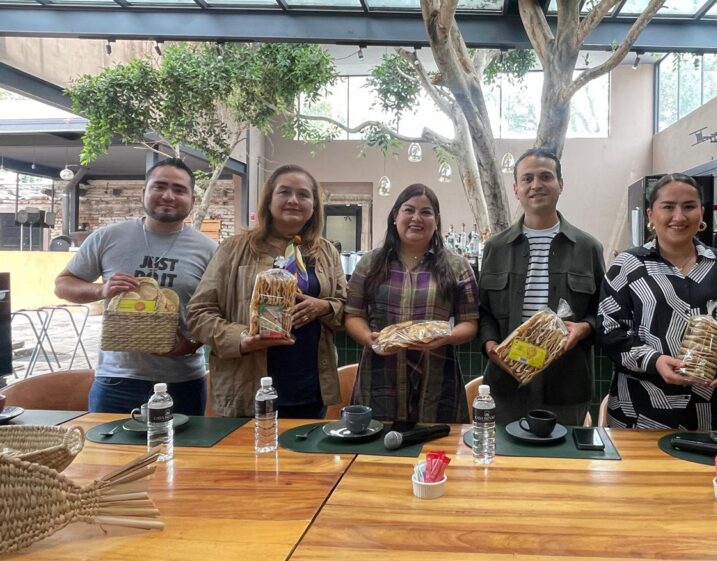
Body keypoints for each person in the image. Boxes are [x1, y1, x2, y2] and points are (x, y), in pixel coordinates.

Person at [598, 173, 717, 431]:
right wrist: (655, 360)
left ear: (701, 213)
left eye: (689, 206)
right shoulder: (628, 266)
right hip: (639, 414)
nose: (679, 216)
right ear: (651, 214)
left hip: (712, 415)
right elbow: (610, 331)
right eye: (668, 207)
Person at [55, 158, 216, 415]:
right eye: (159, 186)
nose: (168, 195)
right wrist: (100, 290)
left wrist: (193, 343)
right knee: (107, 443)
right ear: (144, 193)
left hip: (182, 382)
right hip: (116, 381)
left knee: (184, 443)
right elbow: (63, 285)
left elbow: (217, 310)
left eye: (179, 189)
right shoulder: (107, 237)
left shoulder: (209, 250)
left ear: (192, 200)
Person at [186, 165, 347, 418]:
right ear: (269, 200)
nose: (293, 200)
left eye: (303, 195)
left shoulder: (326, 252)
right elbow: (198, 313)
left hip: (309, 390)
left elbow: (345, 306)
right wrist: (241, 338)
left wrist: (324, 307)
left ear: (314, 206)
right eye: (284, 192)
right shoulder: (234, 249)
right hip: (247, 391)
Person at [479, 148, 605, 426]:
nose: (536, 185)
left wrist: (584, 328)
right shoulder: (495, 248)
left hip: (566, 385)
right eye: (527, 179)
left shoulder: (588, 248)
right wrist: (491, 346)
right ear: (516, 189)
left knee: (564, 454)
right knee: (504, 453)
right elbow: (483, 310)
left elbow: (603, 312)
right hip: (506, 384)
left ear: (561, 184)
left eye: (546, 177)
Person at [344, 184, 479, 423]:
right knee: (378, 444)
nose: (417, 218)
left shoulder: (457, 266)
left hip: (437, 378)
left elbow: (469, 323)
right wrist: (369, 339)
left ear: (436, 220)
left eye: (426, 212)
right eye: (409, 210)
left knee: (438, 443)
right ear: (395, 215)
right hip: (380, 377)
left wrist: (446, 336)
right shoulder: (370, 264)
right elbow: (353, 315)